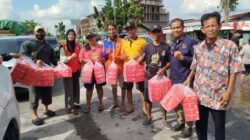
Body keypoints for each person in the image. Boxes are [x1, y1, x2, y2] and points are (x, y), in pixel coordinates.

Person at [184, 12, 244, 140]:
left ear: (219, 26)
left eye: (213, 25)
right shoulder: (198, 47)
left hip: (219, 95)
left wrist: (229, 91)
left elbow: (234, 70)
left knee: (219, 129)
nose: (211, 28)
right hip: (200, 93)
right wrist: (188, 79)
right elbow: (194, 67)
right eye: (207, 26)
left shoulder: (230, 46)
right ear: (202, 29)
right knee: (200, 126)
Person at [19, 25, 58, 126]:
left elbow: (53, 58)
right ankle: (34, 115)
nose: (40, 34)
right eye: (38, 32)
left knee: (47, 92)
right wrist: (35, 61)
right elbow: (23, 57)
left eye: (42, 32)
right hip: (33, 74)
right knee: (34, 94)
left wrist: (59, 62)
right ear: (34, 33)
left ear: (45, 33)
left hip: (46, 74)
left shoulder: (48, 46)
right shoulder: (27, 44)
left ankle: (46, 109)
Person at [168, 18, 198, 138]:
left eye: (178, 27)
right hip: (174, 79)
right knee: (177, 104)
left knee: (187, 104)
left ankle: (188, 127)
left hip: (186, 80)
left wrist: (183, 58)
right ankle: (181, 122)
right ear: (171, 29)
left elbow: (198, 61)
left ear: (183, 28)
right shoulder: (173, 42)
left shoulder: (191, 42)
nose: (176, 30)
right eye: (173, 28)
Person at [137, 25, 171, 126]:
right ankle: (149, 117)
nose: (156, 34)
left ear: (161, 33)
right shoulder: (147, 47)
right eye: (154, 32)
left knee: (164, 98)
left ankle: (164, 119)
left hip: (162, 77)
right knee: (148, 99)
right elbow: (141, 60)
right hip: (149, 77)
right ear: (150, 34)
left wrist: (164, 69)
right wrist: (137, 59)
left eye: (158, 32)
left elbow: (170, 62)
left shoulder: (166, 47)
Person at [120, 21, 147, 115]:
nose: (130, 31)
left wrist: (140, 55)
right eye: (128, 30)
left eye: (131, 29)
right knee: (128, 89)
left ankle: (144, 108)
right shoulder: (124, 42)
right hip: (128, 70)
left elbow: (146, 54)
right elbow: (122, 54)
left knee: (142, 89)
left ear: (136, 30)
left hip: (139, 69)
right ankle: (131, 106)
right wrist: (122, 56)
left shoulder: (142, 42)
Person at [79, 32, 106, 113]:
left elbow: (105, 59)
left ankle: (100, 103)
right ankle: (87, 104)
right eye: (88, 38)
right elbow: (80, 59)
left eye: (91, 37)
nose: (90, 39)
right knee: (89, 89)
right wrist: (86, 60)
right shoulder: (84, 48)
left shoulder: (101, 47)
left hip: (99, 72)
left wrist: (99, 59)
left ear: (94, 37)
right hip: (88, 73)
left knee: (99, 87)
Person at [103, 23, 126, 112]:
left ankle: (123, 103)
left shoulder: (122, 41)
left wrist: (120, 57)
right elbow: (104, 55)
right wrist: (106, 53)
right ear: (107, 31)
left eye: (113, 29)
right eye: (109, 29)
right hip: (111, 70)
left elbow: (124, 54)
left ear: (116, 30)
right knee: (113, 86)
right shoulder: (105, 42)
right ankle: (115, 102)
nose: (111, 31)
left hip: (120, 68)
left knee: (122, 86)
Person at [60, 29, 81, 115]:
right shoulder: (63, 46)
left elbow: (79, 57)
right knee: (69, 89)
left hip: (76, 70)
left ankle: (74, 103)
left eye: (72, 34)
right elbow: (62, 59)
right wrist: (70, 57)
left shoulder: (77, 45)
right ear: (67, 36)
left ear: (75, 36)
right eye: (69, 34)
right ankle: (70, 107)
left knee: (75, 88)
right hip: (67, 72)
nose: (71, 36)